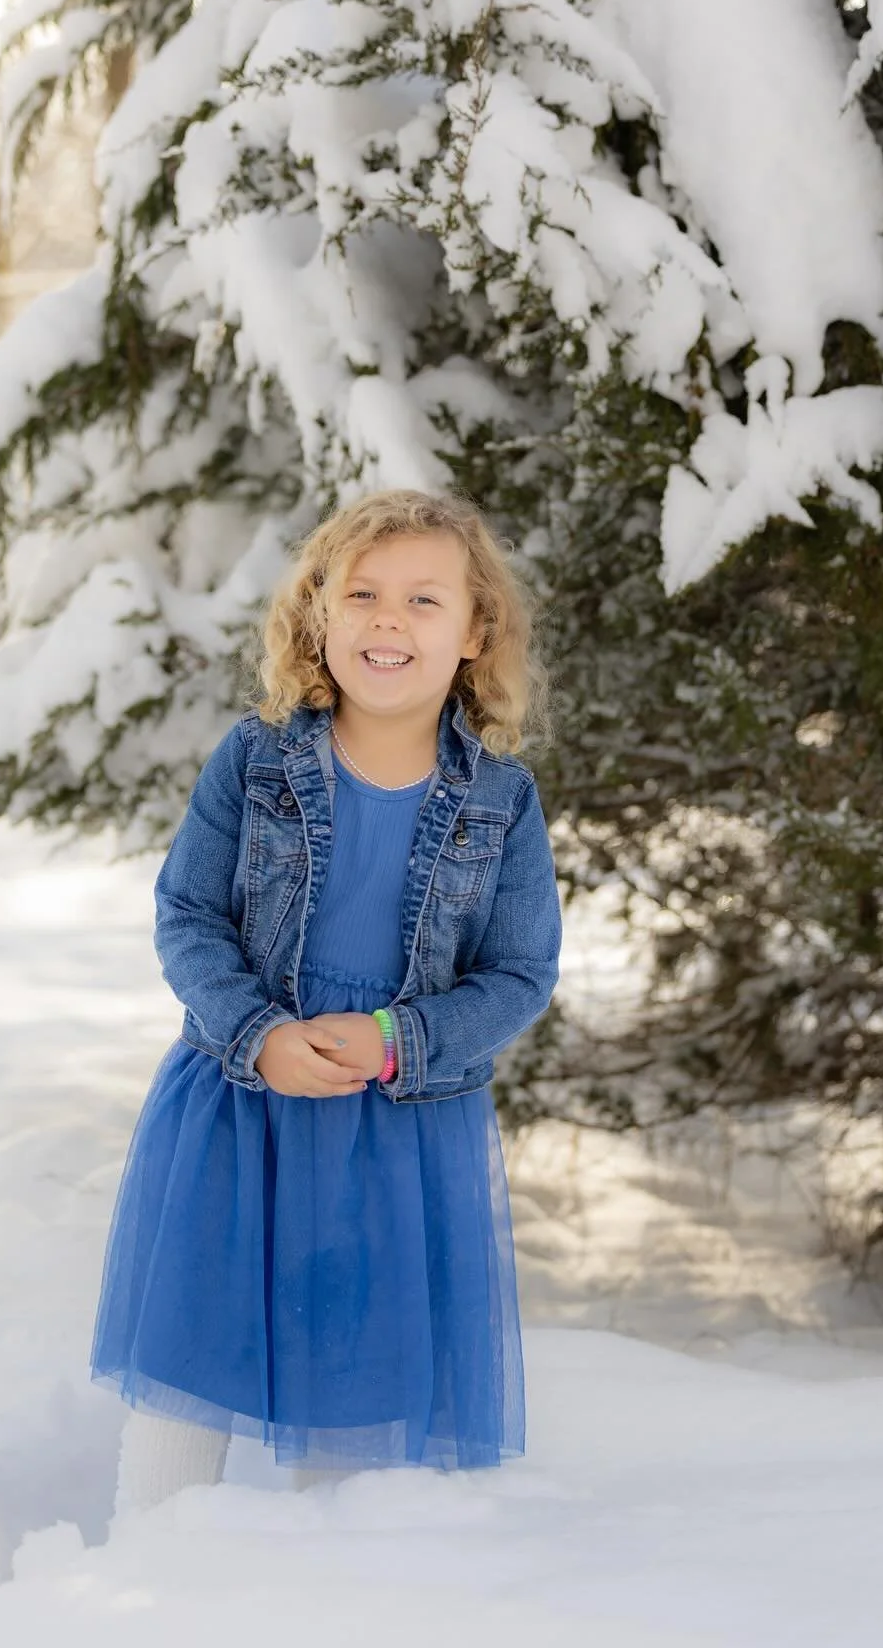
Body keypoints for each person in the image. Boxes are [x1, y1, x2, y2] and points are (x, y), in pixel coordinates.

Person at [90, 486, 562, 1512]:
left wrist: (400, 1037)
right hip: (235, 1104)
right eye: (363, 594)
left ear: (476, 631)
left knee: (354, 1392)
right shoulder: (255, 762)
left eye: (425, 601)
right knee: (190, 1365)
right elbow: (187, 916)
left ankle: (326, 1598)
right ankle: (142, 1589)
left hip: (393, 1137)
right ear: (319, 615)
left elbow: (521, 972)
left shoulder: (501, 800)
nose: (389, 621)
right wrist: (258, 1036)